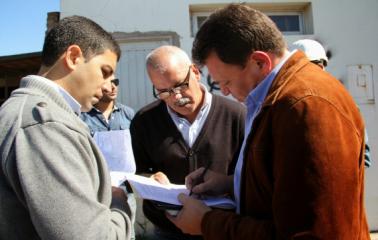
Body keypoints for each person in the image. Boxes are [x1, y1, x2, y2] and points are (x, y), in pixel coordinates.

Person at [167, 4, 370, 239]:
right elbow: (286, 191)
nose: (223, 91)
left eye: (227, 82)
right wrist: (232, 185)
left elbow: (310, 233)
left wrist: (207, 222)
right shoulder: (277, 97)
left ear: (260, 62)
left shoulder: (306, 106)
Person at [0, 16, 131, 239]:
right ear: (73, 57)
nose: (108, 84)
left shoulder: (27, 112)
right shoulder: (44, 125)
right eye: (105, 71)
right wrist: (119, 204)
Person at [129, 45, 246, 240]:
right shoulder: (144, 121)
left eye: (180, 85)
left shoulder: (237, 115)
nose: (176, 97)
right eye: (163, 91)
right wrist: (150, 178)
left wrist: (226, 183)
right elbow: (135, 170)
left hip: (220, 229)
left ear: (195, 72)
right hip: (167, 230)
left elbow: (252, 175)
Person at [291, 38, 372, 168]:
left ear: (321, 66)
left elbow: (364, 157)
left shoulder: (345, 104)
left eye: (304, 67)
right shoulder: (284, 104)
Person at [81, 78, 136, 239]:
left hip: (125, 190)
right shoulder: (81, 117)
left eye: (116, 82)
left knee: (127, 233)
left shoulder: (128, 114)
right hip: (96, 191)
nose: (113, 87)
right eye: (107, 82)